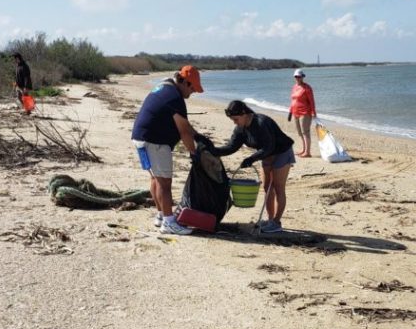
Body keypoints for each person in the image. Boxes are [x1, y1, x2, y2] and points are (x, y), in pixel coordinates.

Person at [131, 65, 204, 235]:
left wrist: (198, 136)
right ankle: (169, 222)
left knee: (156, 179)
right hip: (154, 142)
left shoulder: (164, 87)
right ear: (184, 82)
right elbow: (184, 131)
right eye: (192, 88)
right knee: (165, 183)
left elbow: (185, 127)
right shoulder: (174, 98)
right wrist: (194, 153)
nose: (192, 92)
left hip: (140, 138)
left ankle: (161, 215)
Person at [208, 100, 295, 233]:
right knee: (266, 187)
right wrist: (213, 151)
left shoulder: (261, 122)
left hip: (282, 152)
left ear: (244, 114)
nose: (235, 122)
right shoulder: (240, 129)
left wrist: (251, 159)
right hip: (266, 155)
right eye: (233, 120)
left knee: (278, 188)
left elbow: (269, 146)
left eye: (236, 119)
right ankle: (269, 219)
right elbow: (231, 147)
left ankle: (276, 222)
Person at [288, 68, 316, 157]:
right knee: (300, 133)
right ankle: (304, 150)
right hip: (295, 113)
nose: (297, 78)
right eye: (296, 76)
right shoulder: (294, 87)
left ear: (302, 77)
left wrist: (313, 112)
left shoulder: (307, 87)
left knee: (305, 132)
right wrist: (290, 112)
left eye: (299, 76)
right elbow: (293, 100)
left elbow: (311, 101)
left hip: (305, 113)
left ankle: (308, 152)